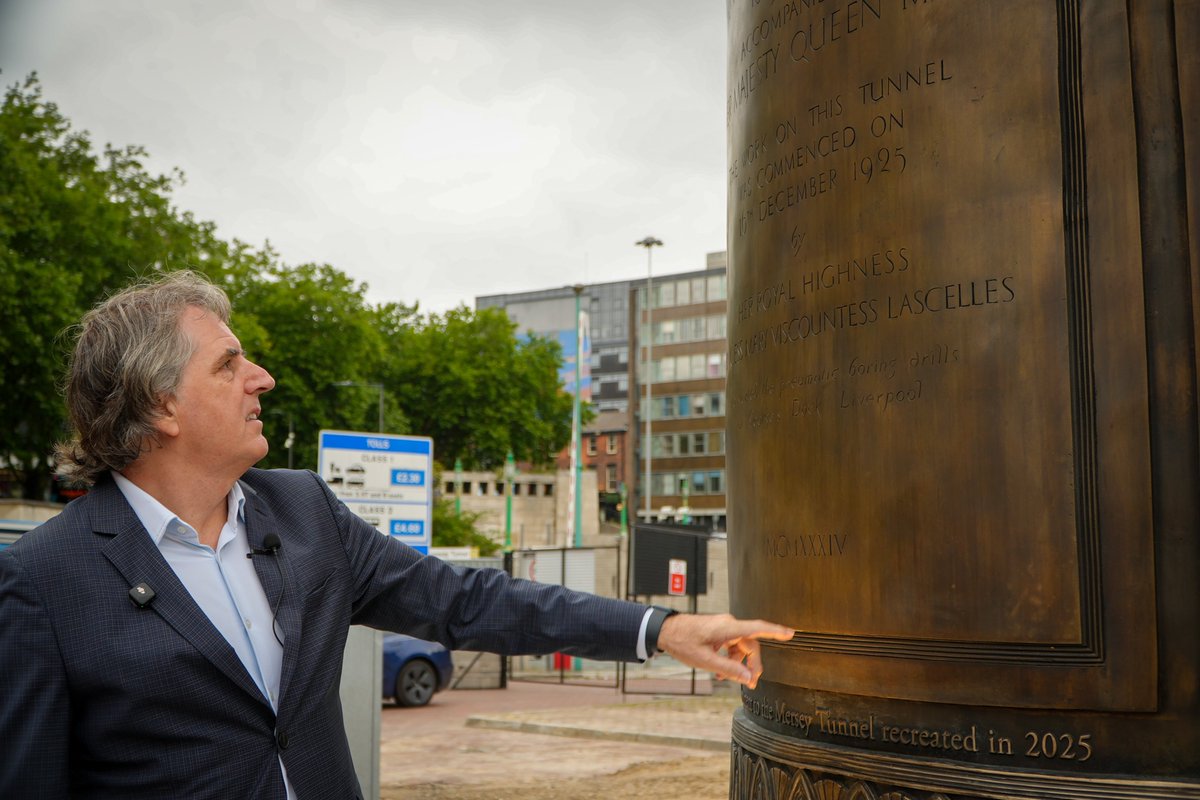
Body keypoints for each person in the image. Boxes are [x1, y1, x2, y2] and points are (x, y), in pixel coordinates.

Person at [0, 270, 793, 799]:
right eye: (228, 365)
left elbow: (468, 600)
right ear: (159, 404)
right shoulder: (43, 579)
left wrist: (664, 628)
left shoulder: (303, 511)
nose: (261, 378)